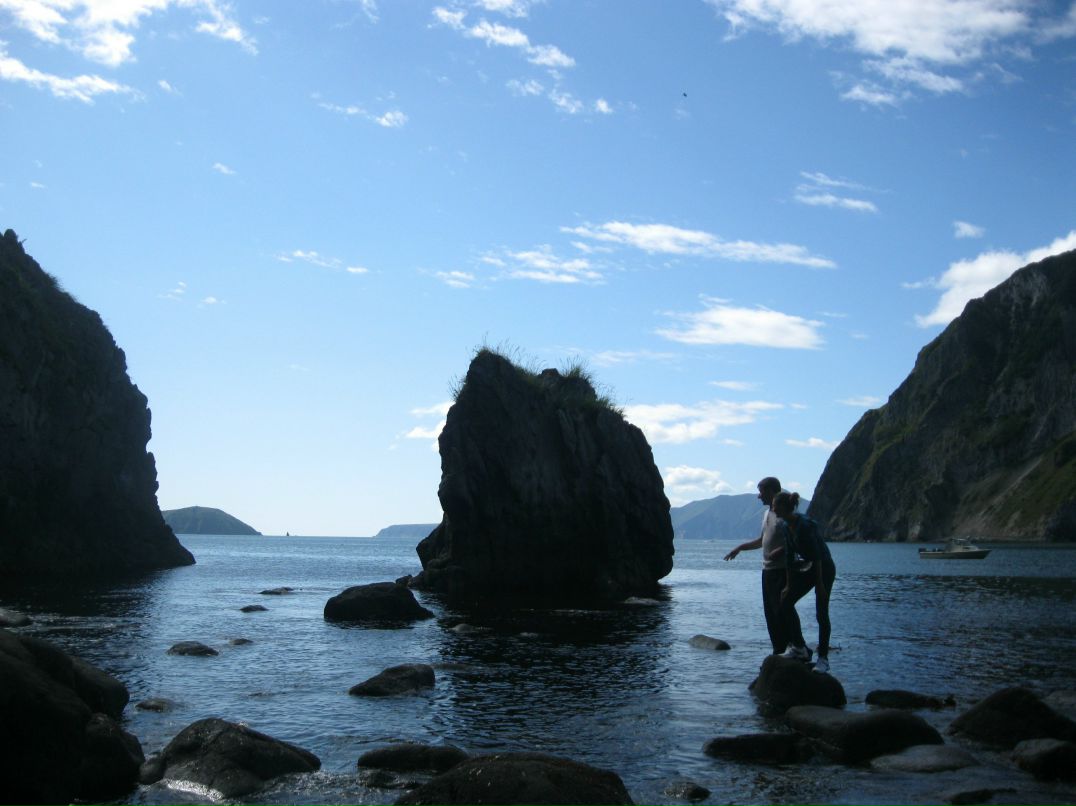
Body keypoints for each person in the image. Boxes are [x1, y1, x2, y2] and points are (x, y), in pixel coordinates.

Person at [723, 477, 796, 655]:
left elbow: (795, 539)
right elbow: (762, 541)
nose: (758, 496)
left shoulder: (784, 513)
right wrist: (740, 548)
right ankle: (779, 650)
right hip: (768, 570)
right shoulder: (767, 514)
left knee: (782, 610)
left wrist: (780, 550)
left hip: (783, 570)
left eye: (761, 491)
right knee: (770, 613)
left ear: (772, 492)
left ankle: (794, 647)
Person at [772, 491, 836, 674]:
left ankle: (823, 659)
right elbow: (790, 557)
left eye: (775, 506)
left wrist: (821, 587)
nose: (773, 509)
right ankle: (800, 647)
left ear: (784, 507)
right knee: (785, 602)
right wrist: (788, 585)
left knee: (821, 613)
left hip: (823, 568)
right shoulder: (785, 526)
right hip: (808, 567)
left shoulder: (805, 526)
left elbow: (817, 557)